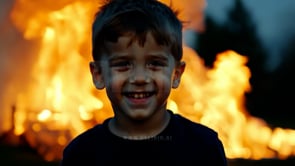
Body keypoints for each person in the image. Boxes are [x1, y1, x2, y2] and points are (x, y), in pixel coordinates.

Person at [61, 0, 227, 165]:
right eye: (123, 64)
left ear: (176, 74)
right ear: (98, 75)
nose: (139, 78)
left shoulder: (203, 148)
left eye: (155, 63)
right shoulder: (82, 154)